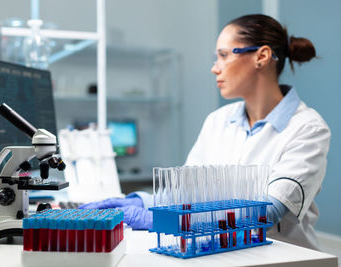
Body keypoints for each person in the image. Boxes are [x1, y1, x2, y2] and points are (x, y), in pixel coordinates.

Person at [80, 14, 331, 250]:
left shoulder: (307, 128)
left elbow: (265, 213)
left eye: (223, 55)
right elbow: (189, 193)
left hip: (282, 258)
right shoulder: (218, 121)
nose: (215, 68)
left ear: (261, 56)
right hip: (220, 252)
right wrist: (139, 202)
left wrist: (156, 220)